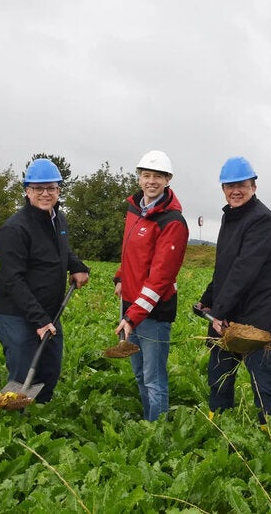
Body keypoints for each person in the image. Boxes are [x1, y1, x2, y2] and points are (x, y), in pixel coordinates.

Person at [197, 156, 271, 424]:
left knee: (262, 380)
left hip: (258, 317)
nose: (235, 190)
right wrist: (208, 300)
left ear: (254, 187)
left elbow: (244, 270)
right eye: (229, 185)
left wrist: (219, 311)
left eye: (242, 185)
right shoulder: (230, 217)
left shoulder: (262, 219)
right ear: (223, 188)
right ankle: (219, 422)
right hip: (228, 315)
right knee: (220, 374)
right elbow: (225, 268)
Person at [0, 158, 90, 404]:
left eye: (51, 188)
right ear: (27, 191)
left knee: (49, 370)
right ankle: (11, 429)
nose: (45, 193)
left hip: (50, 312)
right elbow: (12, 279)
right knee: (23, 372)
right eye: (39, 188)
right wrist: (39, 320)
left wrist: (77, 266)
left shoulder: (58, 219)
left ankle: (39, 420)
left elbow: (62, 249)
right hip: (18, 314)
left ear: (58, 190)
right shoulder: (15, 229)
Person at [113, 150, 189, 421]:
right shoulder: (135, 209)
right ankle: (148, 422)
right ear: (139, 178)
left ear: (168, 180)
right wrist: (122, 276)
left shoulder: (172, 222)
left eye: (158, 176)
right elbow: (130, 251)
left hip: (153, 313)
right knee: (139, 374)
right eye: (146, 175)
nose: (151, 181)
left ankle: (156, 433)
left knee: (153, 378)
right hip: (131, 307)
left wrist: (132, 317)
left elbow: (160, 279)